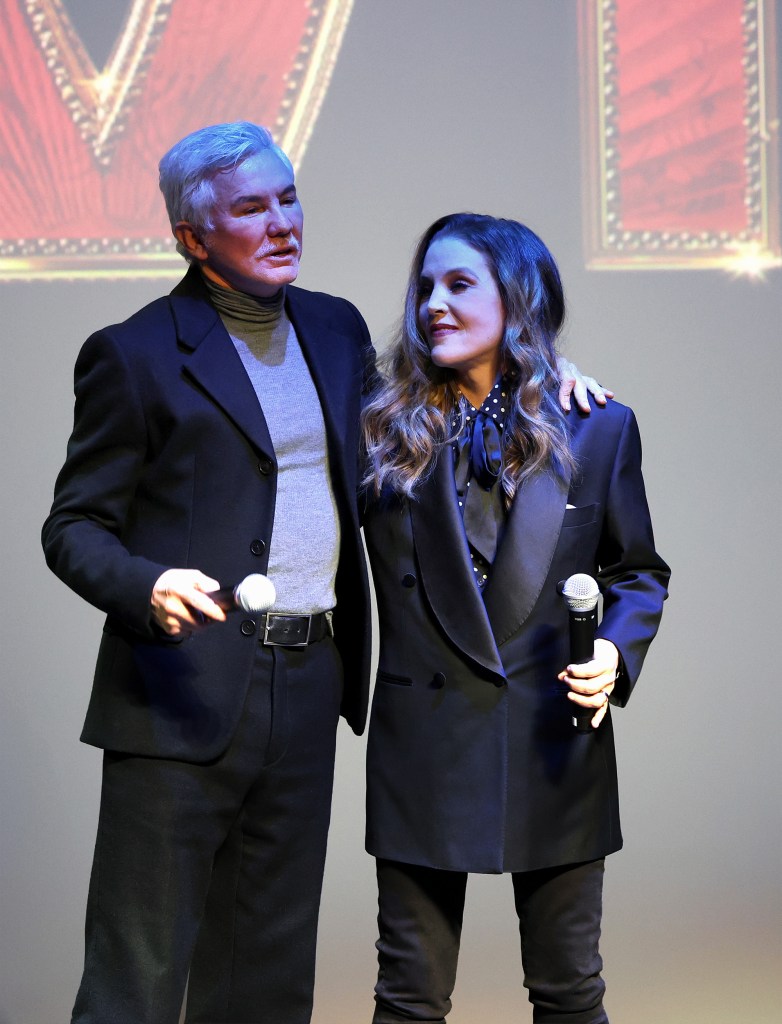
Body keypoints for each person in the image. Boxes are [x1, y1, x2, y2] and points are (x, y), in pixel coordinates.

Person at [42, 121, 606, 1024]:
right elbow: (73, 527)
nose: (282, 222)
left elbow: (444, 389)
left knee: (266, 971)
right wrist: (144, 586)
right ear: (193, 236)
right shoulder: (134, 353)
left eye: (289, 197)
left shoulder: (337, 329)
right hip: (179, 690)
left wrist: (539, 370)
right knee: (136, 975)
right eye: (251, 208)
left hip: (309, 685)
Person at [361, 213, 670, 1024]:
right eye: (425, 285)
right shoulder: (380, 430)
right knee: (408, 1002)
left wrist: (614, 652)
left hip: (555, 740)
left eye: (460, 284)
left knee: (570, 995)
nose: (433, 302)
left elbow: (636, 572)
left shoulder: (597, 427)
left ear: (517, 299)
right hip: (422, 745)